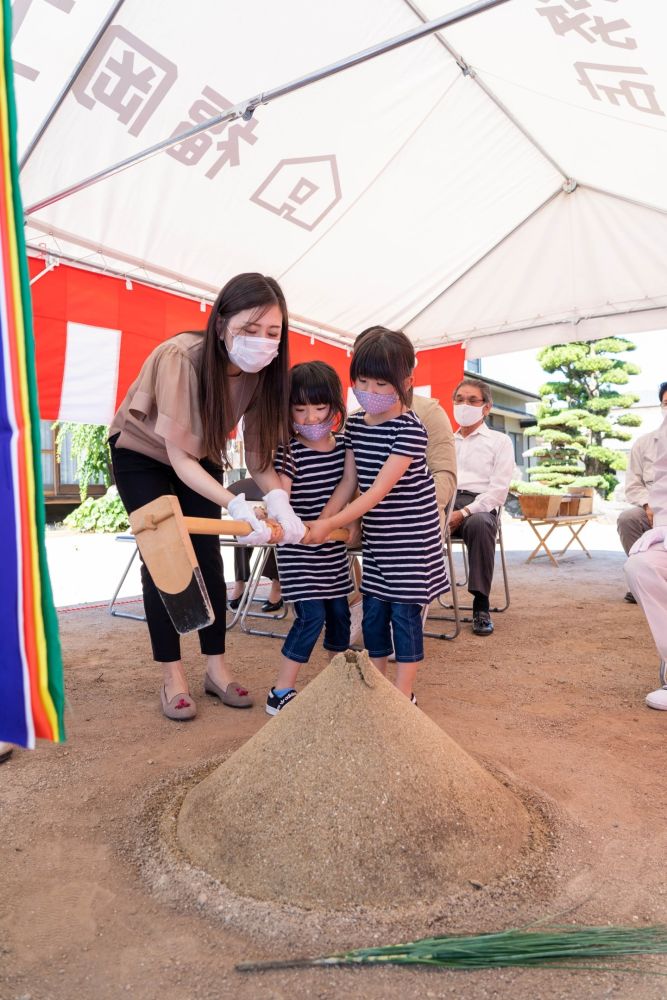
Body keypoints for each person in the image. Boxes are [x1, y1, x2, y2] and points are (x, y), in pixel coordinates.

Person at [109, 272, 305, 721]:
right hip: (142, 453)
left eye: (272, 332)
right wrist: (234, 505)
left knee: (208, 557)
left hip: (200, 453)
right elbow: (178, 461)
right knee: (164, 555)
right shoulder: (181, 355)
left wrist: (278, 502)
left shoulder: (266, 373)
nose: (262, 341)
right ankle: (172, 676)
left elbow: (258, 462)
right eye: (250, 329)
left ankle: (216, 669)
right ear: (221, 324)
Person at [307, 327, 448, 702]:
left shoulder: (411, 430)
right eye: (362, 380)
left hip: (413, 540)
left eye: (382, 383)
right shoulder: (353, 425)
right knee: (373, 614)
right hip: (380, 540)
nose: (369, 389)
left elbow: (376, 493)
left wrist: (331, 523)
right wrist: (322, 520)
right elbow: (348, 483)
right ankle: (378, 688)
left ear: (406, 382)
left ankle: (402, 695)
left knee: (403, 615)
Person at [265, 361, 352, 715]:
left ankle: (338, 680)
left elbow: (348, 484)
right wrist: (280, 519)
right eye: (300, 410)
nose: (311, 418)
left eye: (319, 408)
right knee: (310, 616)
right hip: (298, 551)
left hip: (330, 549)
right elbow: (280, 495)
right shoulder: (287, 451)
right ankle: (280, 690)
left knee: (340, 614)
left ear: (334, 406)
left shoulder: (346, 445)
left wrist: (326, 524)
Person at [448, 378, 514, 637]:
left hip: (480, 504)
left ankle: (481, 604)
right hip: (446, 500)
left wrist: (463, 512)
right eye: (460, 399)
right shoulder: (443, 441)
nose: (465, 405)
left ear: (486, 408)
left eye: (473, 400)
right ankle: (409, 603)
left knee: (480, 523)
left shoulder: (500, 442)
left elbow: (498, 491)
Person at [624, 403, 667, 709]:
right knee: (641, 564)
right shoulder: (652, 440)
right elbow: (657, 486)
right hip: (656, 513)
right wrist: (660, 521)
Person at [617, 381, 667, 603]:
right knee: (628, 519)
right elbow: (633, 485)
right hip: (653, 512)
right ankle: (642, 581)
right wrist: (648, 504)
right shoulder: (644, 444)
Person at [226, 477, 282, 613]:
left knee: (274, 532)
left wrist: (269, 513)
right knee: (241, 528)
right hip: (261, 486)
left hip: (281, 499)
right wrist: (252, 511)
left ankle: (277, 586)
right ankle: (240, 583)